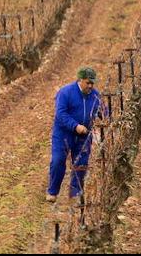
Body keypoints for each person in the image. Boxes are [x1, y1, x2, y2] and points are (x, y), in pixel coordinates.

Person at [47, 66, 105, 203]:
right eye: (88, 83)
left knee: (81, 164)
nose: (90, 86)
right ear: (80, 80)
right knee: (58, 160)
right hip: (63, 133)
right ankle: (52, 192)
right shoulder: (66, 92)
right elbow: (60, 114)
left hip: (84, 136)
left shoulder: (95, 95)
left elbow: (103, 111)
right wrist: (75, 126)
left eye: (92, 83)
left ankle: (75, 194)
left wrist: (108, 119)